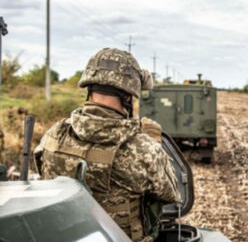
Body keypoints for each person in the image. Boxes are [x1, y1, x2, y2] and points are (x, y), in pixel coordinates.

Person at [34, 48, 181, 241]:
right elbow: (172, 194)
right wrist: (153, 142)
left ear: (90, 89)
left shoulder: (54, 135)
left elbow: (41, 174)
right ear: (128, 97)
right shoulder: (143, 149)